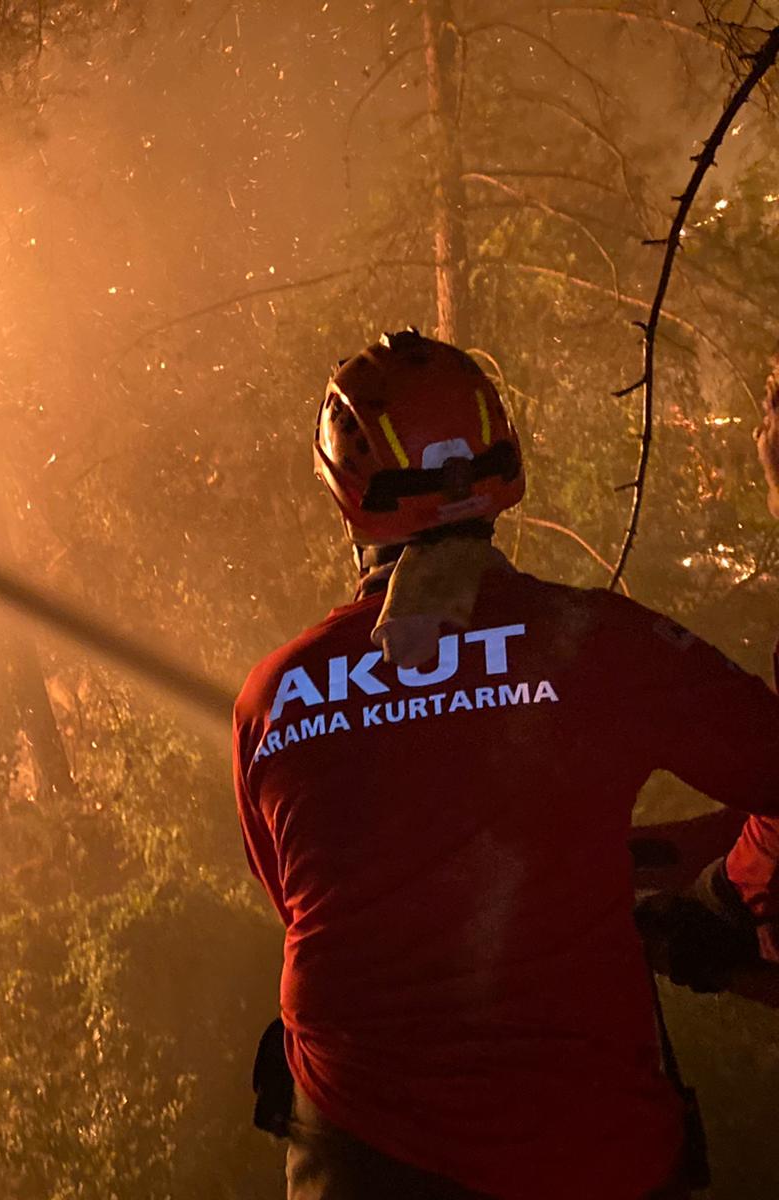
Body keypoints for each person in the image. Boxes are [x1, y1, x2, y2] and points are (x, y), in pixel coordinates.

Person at [232, 329, 779, 1199]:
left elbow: (313, 899)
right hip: (594, 1159)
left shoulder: (273, 696)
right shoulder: (599, 644)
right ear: (503, 464)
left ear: (345, 490)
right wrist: (727, 889)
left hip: (362, 1160)